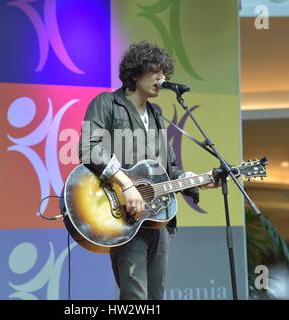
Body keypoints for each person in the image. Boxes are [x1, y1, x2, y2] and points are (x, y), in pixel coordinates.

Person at [78, 41, 212, 300]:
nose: (162, 78)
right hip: (123, 218)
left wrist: (194, 179)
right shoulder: (107, 103)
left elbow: (169, 170)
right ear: (136, 73)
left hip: (158, 219)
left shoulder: (157, 116)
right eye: (155, 72)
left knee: (155, 298)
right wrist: (126, 184)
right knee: (135, 298)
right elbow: (88, 147)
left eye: (165, 73)